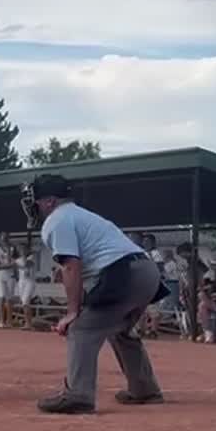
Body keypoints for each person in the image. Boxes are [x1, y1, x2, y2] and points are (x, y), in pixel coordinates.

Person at [24, 173, 166, 414]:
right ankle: (145, 389)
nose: (33, 205)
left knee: (82, 328)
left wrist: (72, 312)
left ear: (49, 201)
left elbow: (71, 265)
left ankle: (78, 395)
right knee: (120, 330)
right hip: (146, 272)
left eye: (36, 200)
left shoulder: (57, 220)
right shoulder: (79, 214)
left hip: (125, 274)